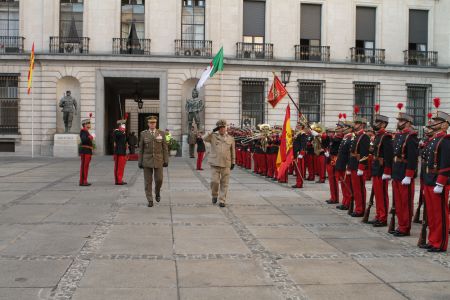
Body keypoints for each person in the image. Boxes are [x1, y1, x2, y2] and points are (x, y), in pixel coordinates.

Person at [421, 105, 450, 252]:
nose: (434, 123)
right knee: (431, 213)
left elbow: (446, 163)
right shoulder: (434, 140)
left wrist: (441, 182)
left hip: (438, 181)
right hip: (429, 178)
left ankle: (440, 242)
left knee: (440, 214)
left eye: (438, 121)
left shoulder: (445, 140)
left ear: (445, 124)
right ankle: (433, 240)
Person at [391, 103, 419, 236]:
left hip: (404, 172)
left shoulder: (411, 137)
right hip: (397, 170)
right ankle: (400, 224)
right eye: (399, 121)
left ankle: (405, 227)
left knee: (405, 202)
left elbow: (413, 158)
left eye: (402, 121)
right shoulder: (399, 135)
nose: (399, 123)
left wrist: (409, 175)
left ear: (408, 123)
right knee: (398, 201)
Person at [369, 109, 393, 227]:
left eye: (378, 122)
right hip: (376, 168)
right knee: (378, 195)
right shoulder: (378, 136)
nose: (375, 124)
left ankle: (383, 218)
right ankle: (378, 215)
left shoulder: (386, 137)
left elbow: (388, 156)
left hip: (382, 169)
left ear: (383, 124)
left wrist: (387, 171)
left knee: (382, 195)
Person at [138, 116, 169, 207]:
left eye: (154, 123)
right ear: (148, 124)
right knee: (148, 181)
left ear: (156, 123)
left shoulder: (161, 133)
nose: (152, 124)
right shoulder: (143, 134)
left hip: (158, 160)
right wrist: (140, 161)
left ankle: (157, 191)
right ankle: (150, 199)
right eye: (150, 123)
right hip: (147, 160)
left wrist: (166, 160)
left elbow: (165, 148)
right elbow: (141, 149)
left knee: (159, 179)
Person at [204, 119, 235, 207]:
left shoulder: (231, 138)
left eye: (223, 127)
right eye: (220, 128)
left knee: (225, 183)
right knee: (214, 182)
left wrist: (233, 162)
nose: (222, 129)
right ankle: (214, 195)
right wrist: (212, 131)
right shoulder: (213, 136)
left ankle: (222, 200)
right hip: (215, 163)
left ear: (226, 128)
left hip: (226, 163)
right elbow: (204, 138)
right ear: (218, 129)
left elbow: (233, 151)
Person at [348, 109, 370, 217]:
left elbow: (364, 153)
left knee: (360, 189)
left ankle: (360, 209)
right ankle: (357, 207)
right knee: (355, 189)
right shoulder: (356, 136)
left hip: (358, 166)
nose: (354, 125)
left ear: (362, 125)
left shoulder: (364, 137)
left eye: (356, 123)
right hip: (353, 165)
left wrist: (361, 167)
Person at [79, 117, 94, 186]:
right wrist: (90, 137)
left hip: (87, 151)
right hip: (85, 151)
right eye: (88, 123)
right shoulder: (83, 131)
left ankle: (82, 181)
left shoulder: (86, 131)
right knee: (85, 166)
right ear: (85, 124)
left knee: (84, 166)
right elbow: (84, 140)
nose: (90, 124)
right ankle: (84, 181)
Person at [113, 119, 128, 185]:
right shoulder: (117, 132)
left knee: (120, 167)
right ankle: (119, 180)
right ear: (119, 126)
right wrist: (122, 131)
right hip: (119, 152)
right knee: (119, 167)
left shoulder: (122, 133)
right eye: (123, 125)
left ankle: (118, 179)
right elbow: (118, 135)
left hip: (121, 152)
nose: (124, 127)